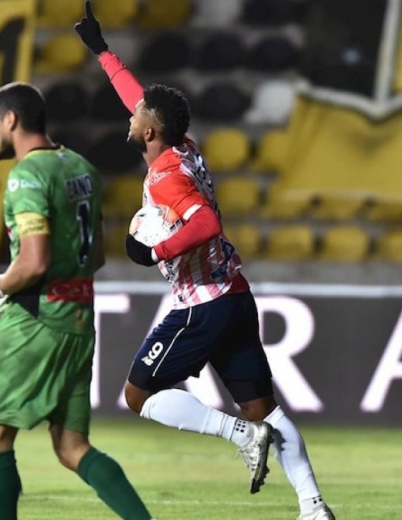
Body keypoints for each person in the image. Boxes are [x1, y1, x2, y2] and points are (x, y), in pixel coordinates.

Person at [75, 3, 336, 520]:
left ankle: (239, 434)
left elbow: (206, 223)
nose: (131, 114)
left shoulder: (166, 178)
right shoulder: (182, 148)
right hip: (234, 294)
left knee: (138, 395)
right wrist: (102, 52)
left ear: (151, 131)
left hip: (203, 305)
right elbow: (139, 97)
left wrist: (155, 251)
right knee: (266, 408)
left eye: (138, 115)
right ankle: (314, 507)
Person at [0, 82, 155, 520]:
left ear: (10, 120)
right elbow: (98, 256)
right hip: (79, 319)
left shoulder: (27, 176)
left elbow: (33, 262)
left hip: (35, 320)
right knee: (71, 446)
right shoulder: (81, 167)